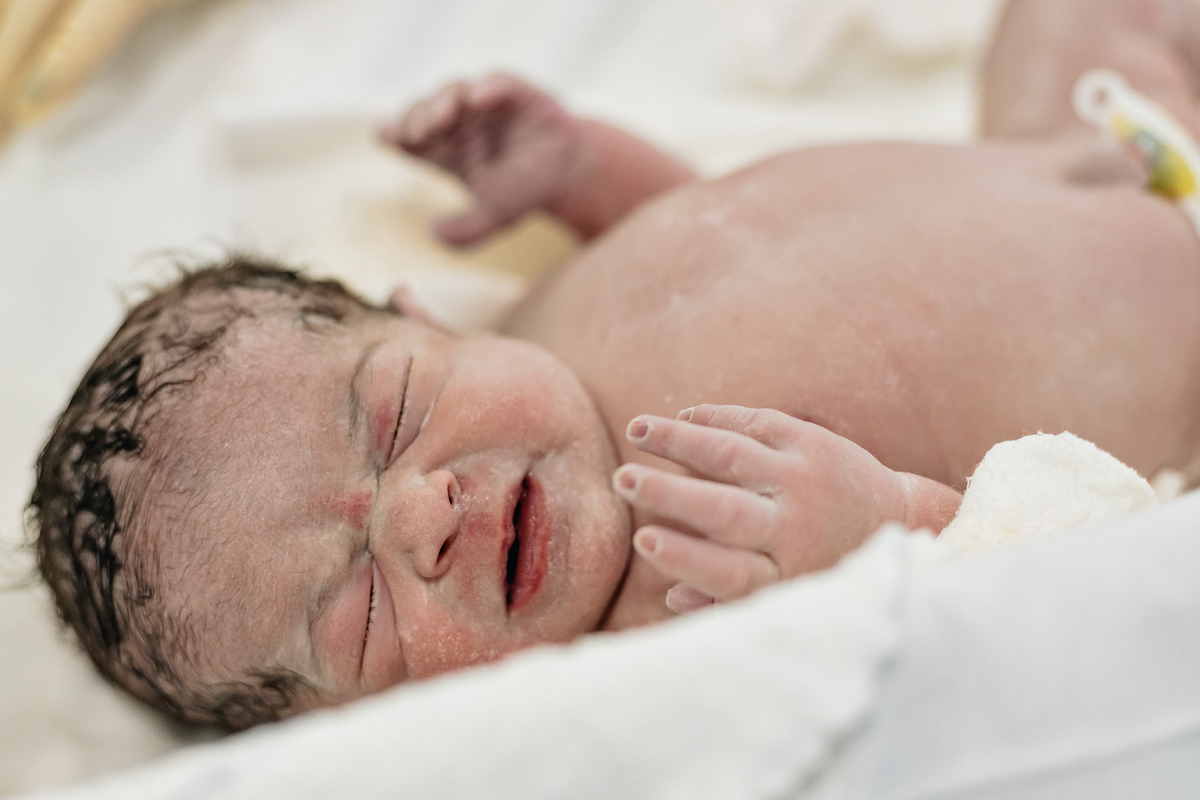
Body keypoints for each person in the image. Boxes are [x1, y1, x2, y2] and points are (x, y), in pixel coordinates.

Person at [29, 0, 1200, 730]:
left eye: (395, 416)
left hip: (1091, 134)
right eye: (364, 607)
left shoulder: (540, 313)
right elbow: (1035, 592)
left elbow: (715, 226)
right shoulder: (670, 624)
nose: (422, 514)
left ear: (422, 318)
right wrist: (885, 530)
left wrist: (583, 171)